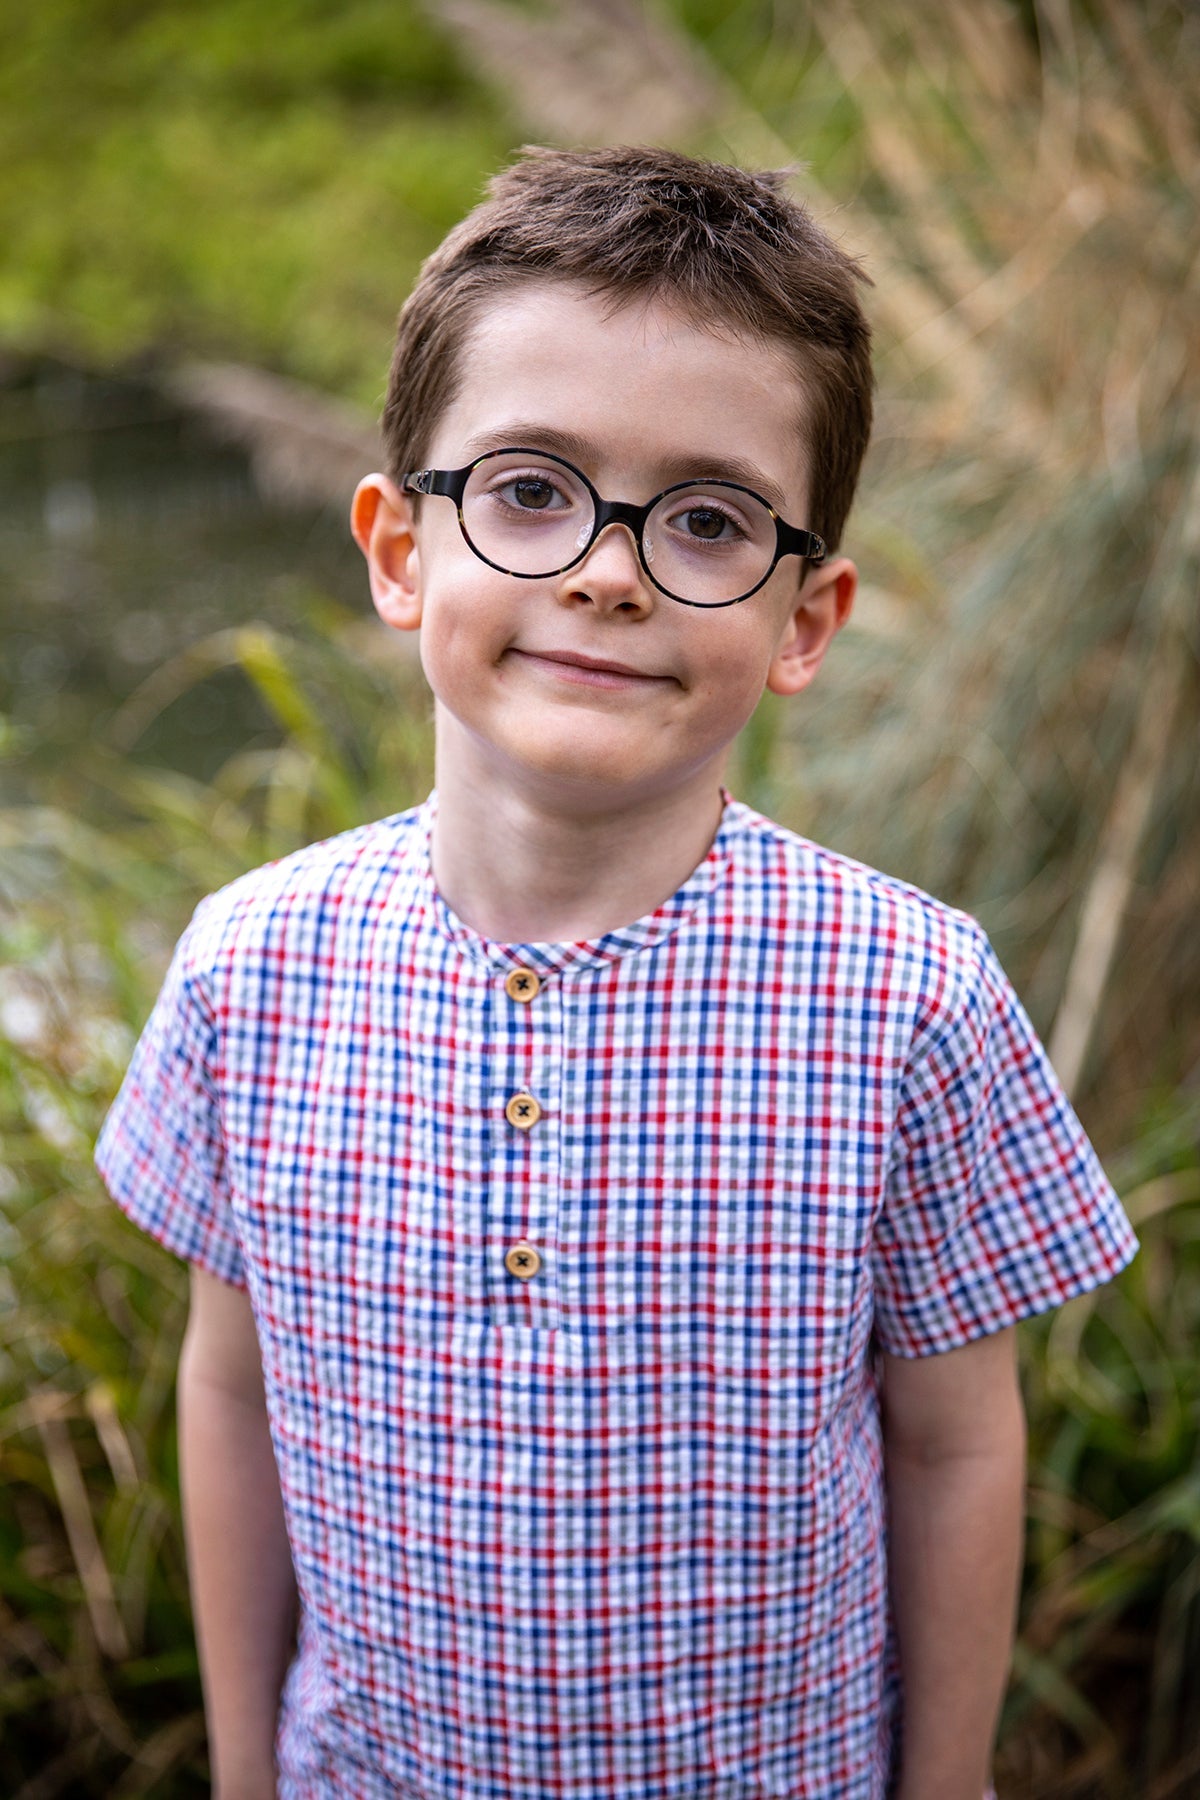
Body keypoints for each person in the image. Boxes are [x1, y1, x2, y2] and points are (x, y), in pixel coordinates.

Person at [95, 146, 1137, 1800]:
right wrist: (240, 1772)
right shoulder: (252, 970)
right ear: (399, 549)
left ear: (806, 618)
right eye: (529, 490)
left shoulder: (909, 999)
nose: (607, 570)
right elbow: (232, 1390)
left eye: (710, 520)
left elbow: (955, 1446)